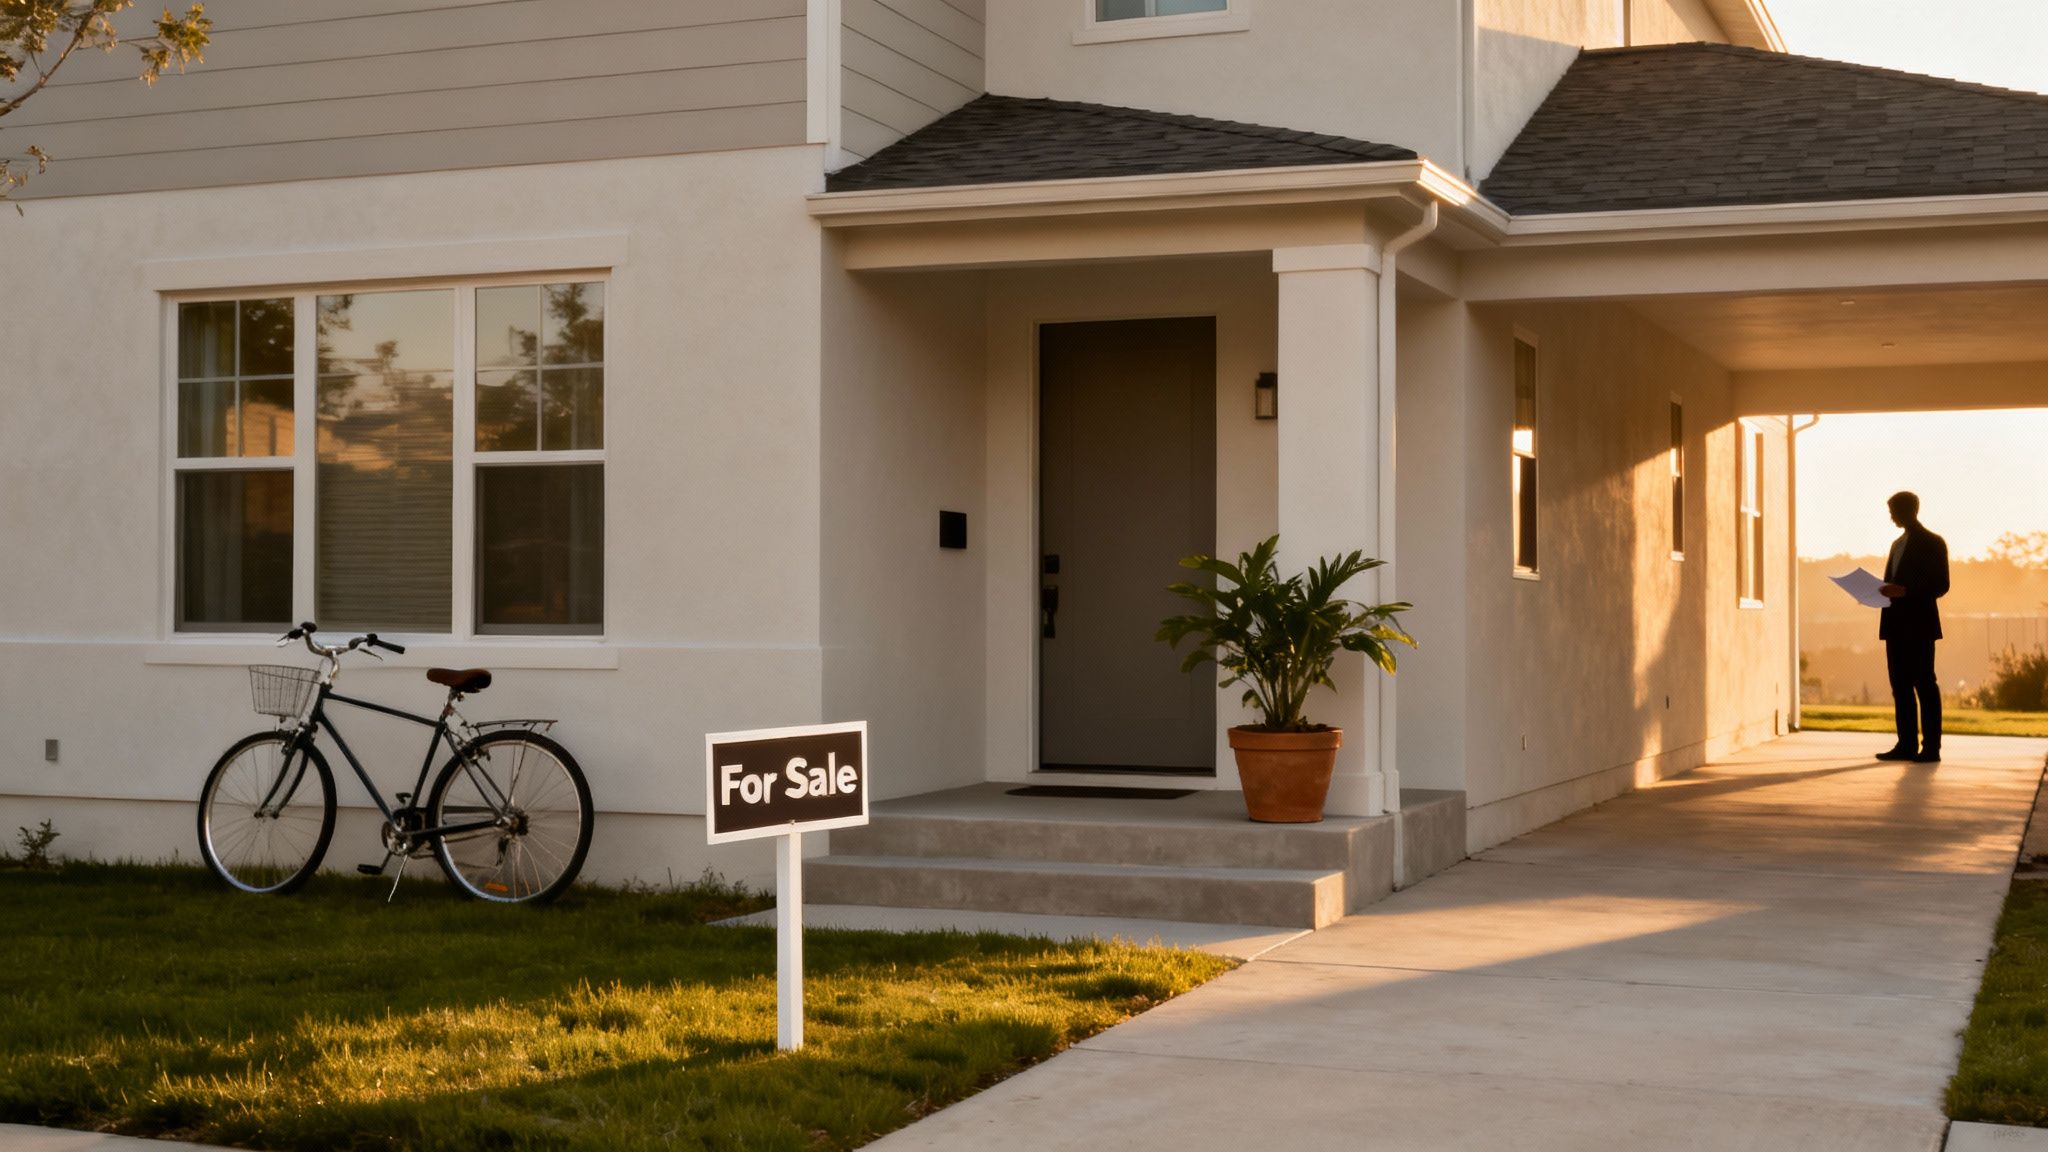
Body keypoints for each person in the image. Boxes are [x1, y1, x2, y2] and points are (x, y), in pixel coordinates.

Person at [1876, 491, 1950, 763]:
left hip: (1919, 625)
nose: (1891, 516)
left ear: (1909, 510)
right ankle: (1905, 745)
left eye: (1893, 511)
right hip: (1894, 625)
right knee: (1900, 686)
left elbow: (1941, 585)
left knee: (1925, 684)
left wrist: (1904, 592)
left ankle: (1931, 748)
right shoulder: (1896, 545)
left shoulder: (1932, 542)